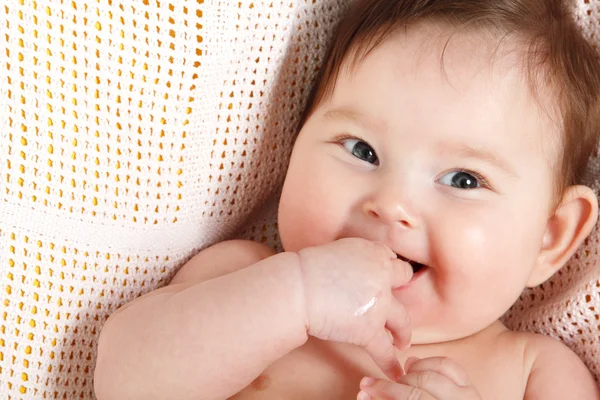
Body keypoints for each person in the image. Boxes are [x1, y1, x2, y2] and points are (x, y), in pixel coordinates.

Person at [93, 0, 600, 398]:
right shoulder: (241, 278)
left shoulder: (537, 373)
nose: (392, 202)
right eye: (362, 150)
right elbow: (123, 382)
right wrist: (295, 295)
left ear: (550, 237)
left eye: (464, 180)